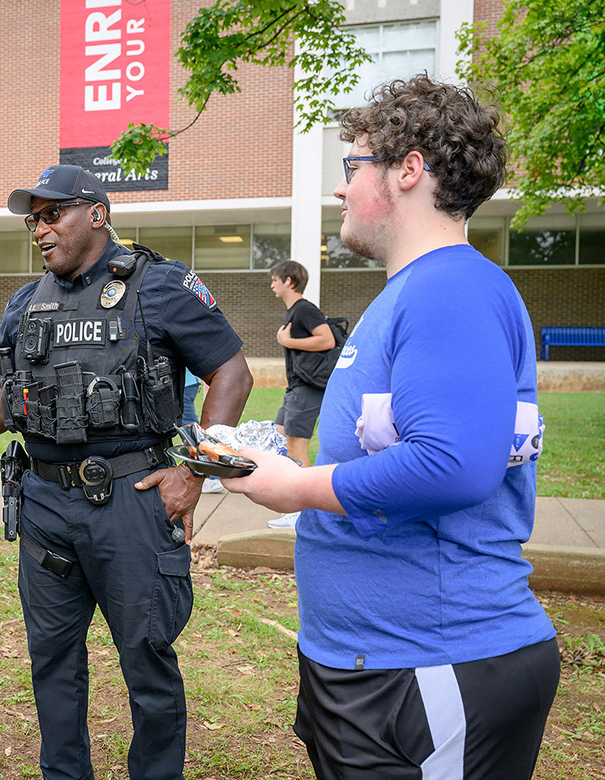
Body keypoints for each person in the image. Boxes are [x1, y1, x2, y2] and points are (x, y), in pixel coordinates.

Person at [221, 76, 560, 779]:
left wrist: (297, 487)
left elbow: (454, 465)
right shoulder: (413, 293)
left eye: (353, 166)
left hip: (433, 664)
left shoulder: (450, 288)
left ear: (409, 169)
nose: (342, 189)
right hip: (379, 662)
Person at [0, 165, 252, 780]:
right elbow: (7, 392)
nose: (40, 229)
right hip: (46, 507)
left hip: (132, 501)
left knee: (146, 659)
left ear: (97, 213)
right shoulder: (26, 304)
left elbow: (232, 373)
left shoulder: (159, 286)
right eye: (33, 219)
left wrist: (193, 470)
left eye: (52, 214)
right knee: (52, 658)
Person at [266, 259, 334, 528]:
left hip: (307, 387)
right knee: (281, 437)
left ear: (288, 281)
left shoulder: (305, 309)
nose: (272, 284)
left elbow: (326, 339)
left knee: (297, 445)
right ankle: (293, 503)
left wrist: (288, 341)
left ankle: (301, 512)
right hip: (295, 387)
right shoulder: (294, 311)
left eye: (274, 279)